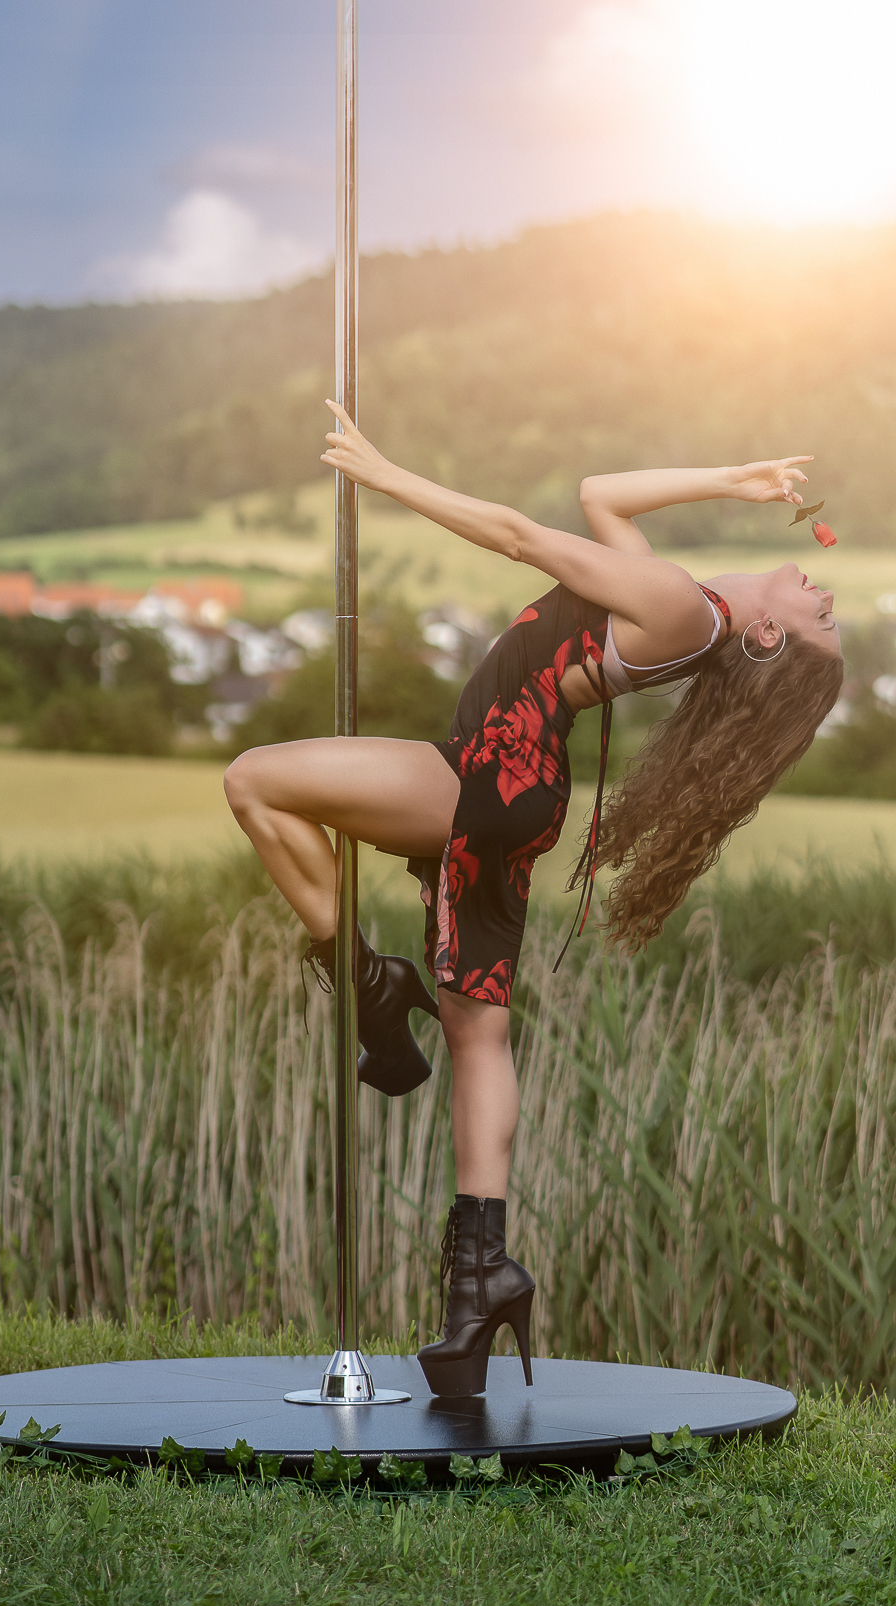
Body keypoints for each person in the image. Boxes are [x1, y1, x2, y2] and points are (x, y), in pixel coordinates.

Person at [223, 401, 844, 1398]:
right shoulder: (678, 605)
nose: (824, 590)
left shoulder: (680, 608)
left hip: (483, 777)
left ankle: (372, 987)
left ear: (768, 635)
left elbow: (519, 533)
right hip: (514, 789)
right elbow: (603, 494)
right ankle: (483, 1281)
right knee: (477, 1038)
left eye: (820, 617)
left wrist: (383, 474)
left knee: (254, 778)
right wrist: (733, 477)